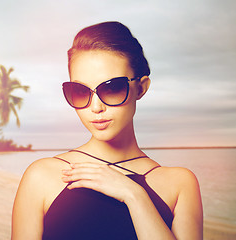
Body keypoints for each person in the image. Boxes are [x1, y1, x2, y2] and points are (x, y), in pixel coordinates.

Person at [11, 21, 203, 240]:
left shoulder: (180, 183)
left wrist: (134, 195)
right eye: (81, 91)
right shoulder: (42, 176)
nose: (96, 107)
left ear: (141, 87)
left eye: (112, 88)